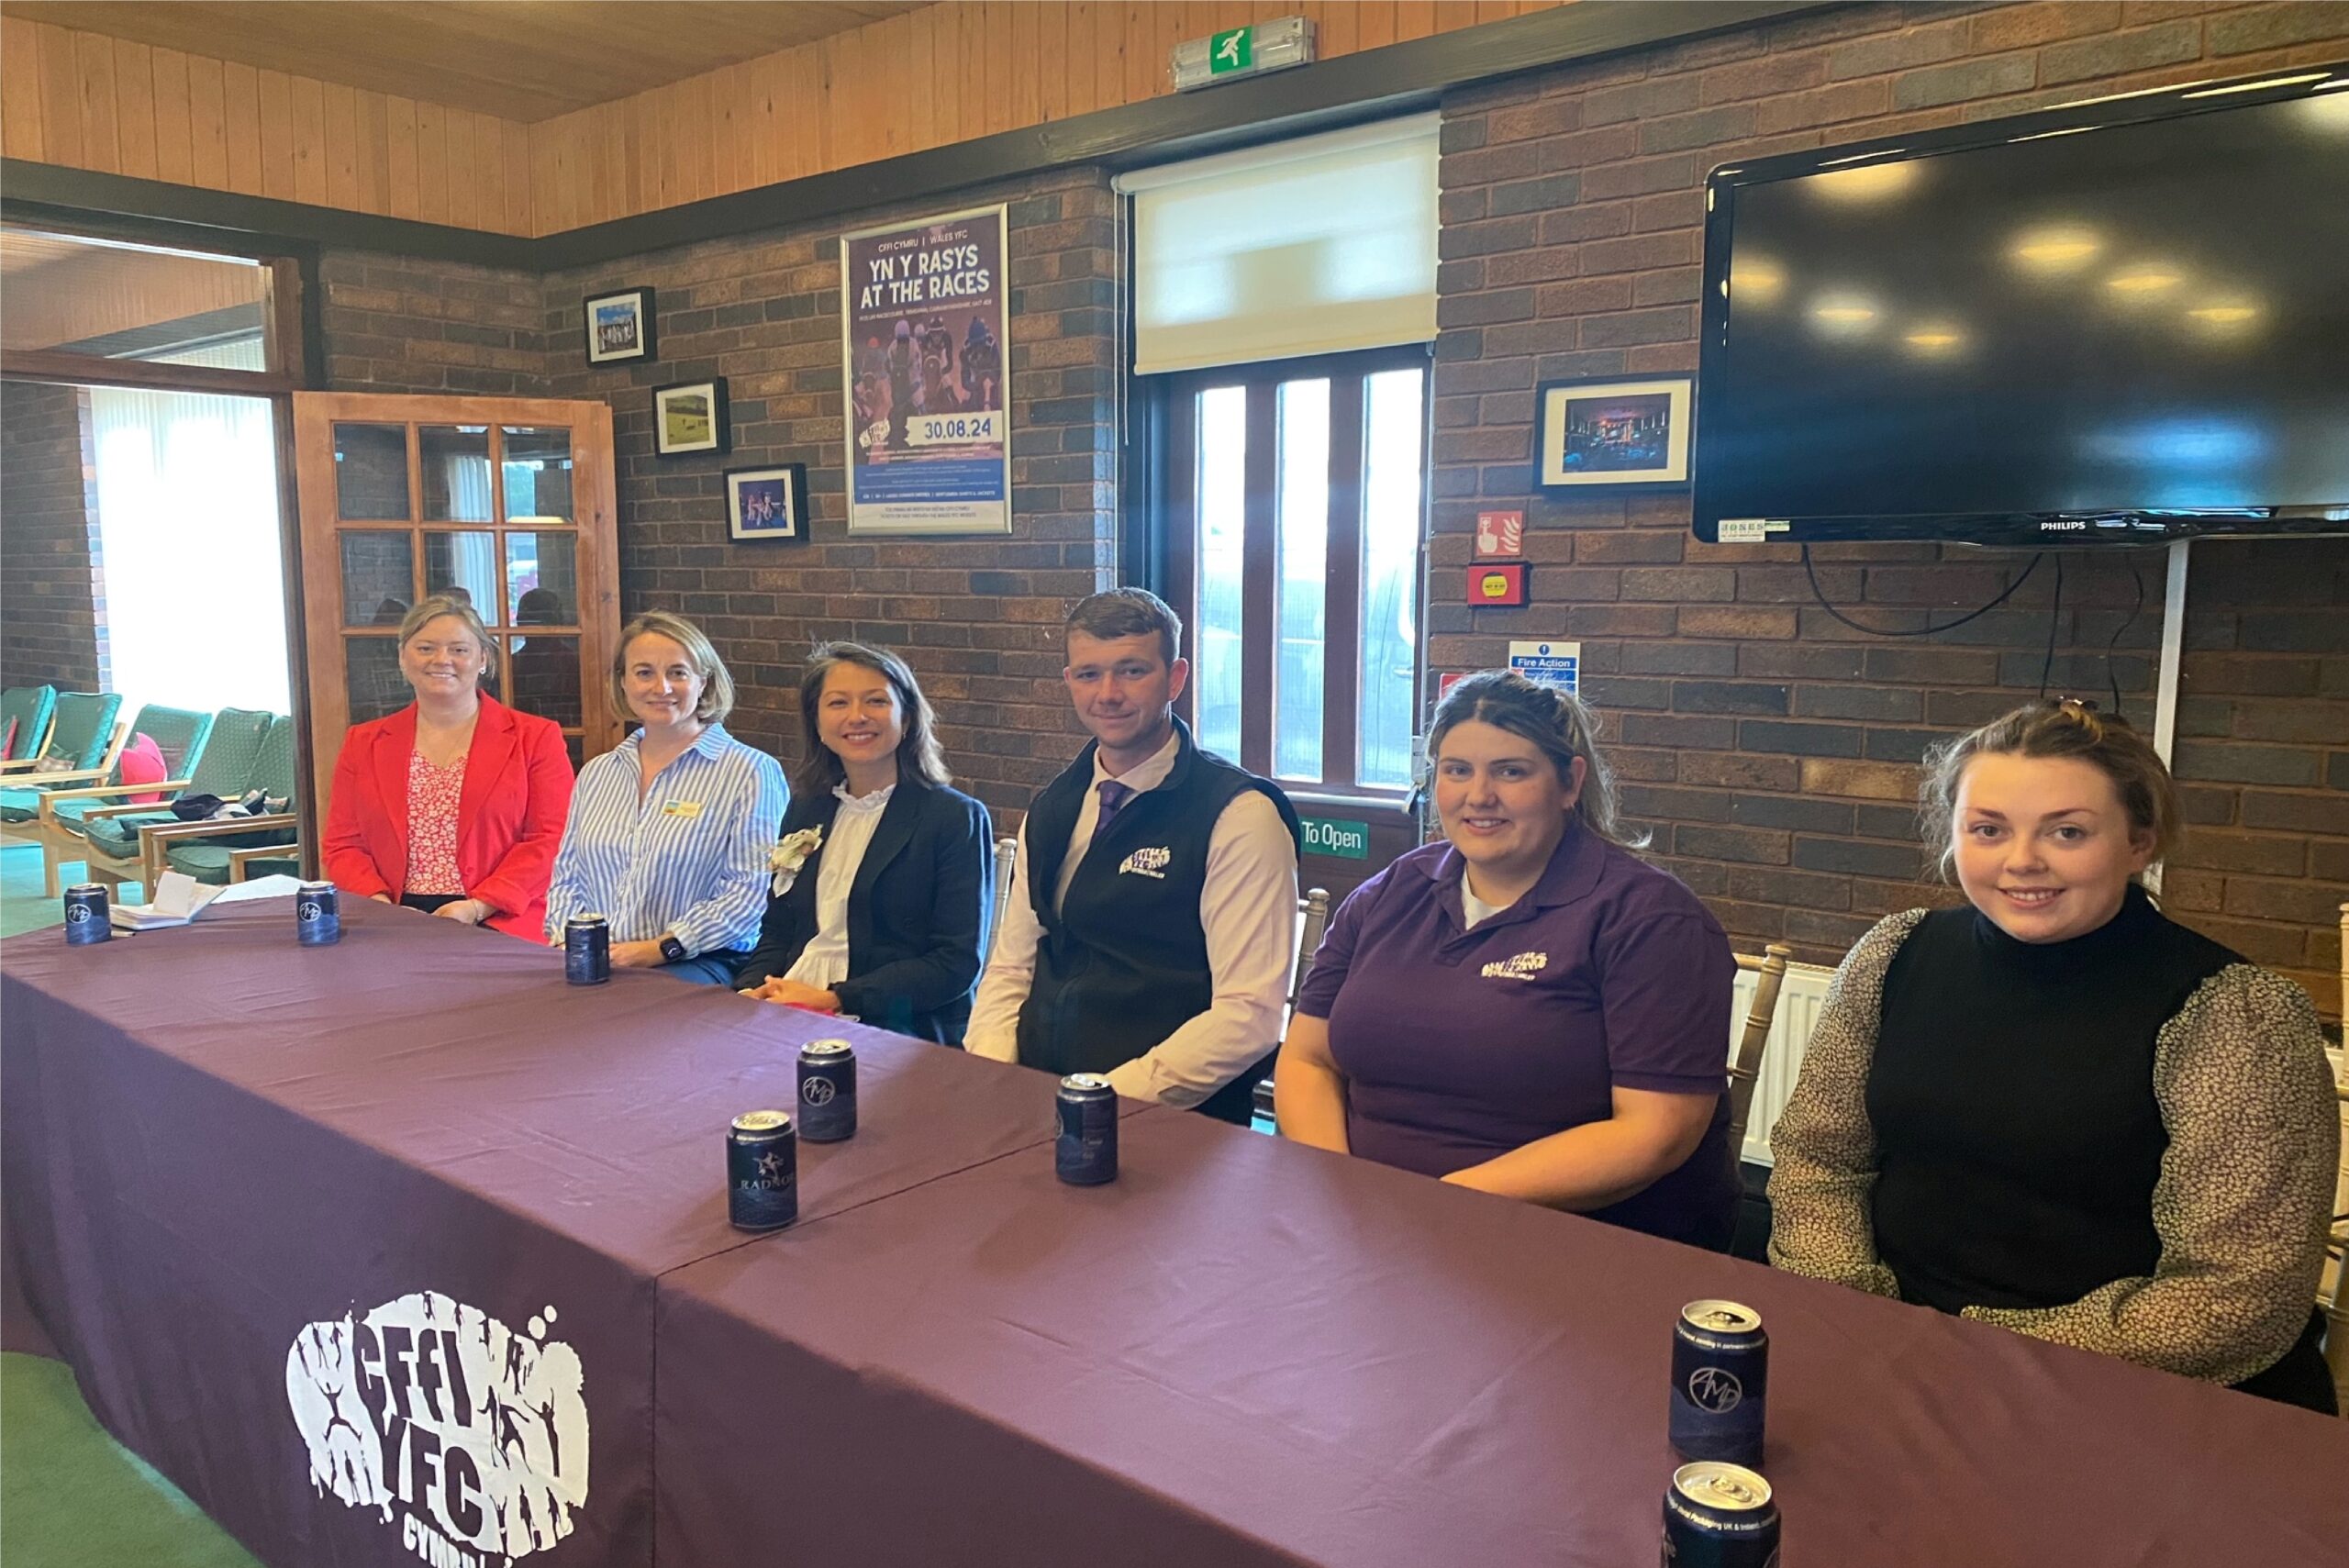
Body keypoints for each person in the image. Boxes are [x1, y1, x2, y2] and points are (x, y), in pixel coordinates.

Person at [1768, 698, 2339, 1412]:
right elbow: (1818, 1158)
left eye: (2067, 831)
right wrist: (1857, 1310)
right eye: (1988, 829)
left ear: (2141, 841)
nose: (2022, 860)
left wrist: (1968, 1352)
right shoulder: (1892, 954)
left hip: (2136, 1396)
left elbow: (2236, 1293)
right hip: (1891, 1350)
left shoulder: (2236, 1013)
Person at [1274, 671, 1741, 1249]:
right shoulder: (1391, 892)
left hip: (1570, 1247)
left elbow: (1656, 1133)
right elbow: (1309, 1059)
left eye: (1511, 772)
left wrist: (1433, 1206)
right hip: (1366, 1226)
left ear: (1570, 783)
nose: (1478, 796)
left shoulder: (1651, 920)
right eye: (1456, 770)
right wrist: (1339, 1189)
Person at [965, 588, 1300, 1123]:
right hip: (1036, 1101)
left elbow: (1249, 1017)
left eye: (1132, 671)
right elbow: (1012, 966)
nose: (1109, 694)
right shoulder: (1053, 806)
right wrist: (995, 1077)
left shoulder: (1239, 816)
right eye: (1089, 674)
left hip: (1166, 1120)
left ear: (1175, 678)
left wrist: (1094, 1102)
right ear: (1069, 681)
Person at [735, 642, 993, 1043]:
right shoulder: (806, 807)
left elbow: (955, 964)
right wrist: (750, 992)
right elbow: (778, 931)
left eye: (876, 701)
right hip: (789, 1005)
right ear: (817, 722)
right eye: (838, 703)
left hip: (894, 1024)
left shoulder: (954, 817)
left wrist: (835, 998)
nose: (857, 716)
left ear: (907, 718)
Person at [544, 612, 786, 984]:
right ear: (623, 682)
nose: (662, 687)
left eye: (678, 672)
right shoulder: (597, 773)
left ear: (703, 681)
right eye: (644, 673)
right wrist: (573, 942)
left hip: (697, 961)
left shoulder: (750, 772)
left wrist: (662, 947)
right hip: (597, 959)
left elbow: (749, 895)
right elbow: (567, 878)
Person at [322, 595, 574, 940]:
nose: (442, 659)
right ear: (402, 656)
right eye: (426, 648)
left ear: (483, 659)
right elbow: (343, 844)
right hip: (389, 920)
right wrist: (381, 906)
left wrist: (477, 906)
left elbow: (551, 838)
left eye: (459, 649)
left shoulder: (536, 738)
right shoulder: (362, 742)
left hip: (501, 919)